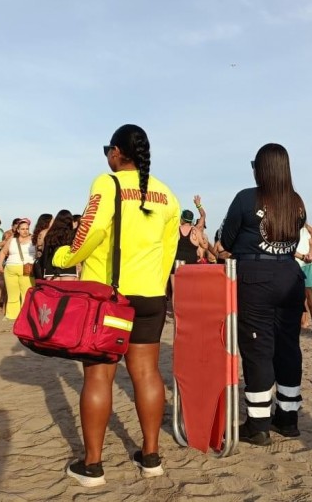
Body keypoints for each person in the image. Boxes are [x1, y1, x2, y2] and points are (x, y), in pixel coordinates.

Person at [53, 124, 180, 486]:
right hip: (151, 294)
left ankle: (92, 465)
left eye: (109, 149)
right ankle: (151, 456)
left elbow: (89, 232)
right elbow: (169, 249)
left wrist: (63, 257)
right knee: (147, 374)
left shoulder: (106, 183)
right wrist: (156, 284)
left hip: (108, 297)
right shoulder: (166, 194)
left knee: (98, 376)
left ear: (116, 153)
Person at [219, 143, 306, 446]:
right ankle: (289, 416)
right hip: (289, 275)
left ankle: (258, 424)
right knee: (288, 346)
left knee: (257, 349)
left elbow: (226, 239)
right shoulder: (296, 202)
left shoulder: (246, 198)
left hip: (256, 277)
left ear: (261, 168)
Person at [0, 218, 35, 320]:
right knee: (12, 293)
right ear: (18, 230)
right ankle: (11, 315)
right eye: (22, 229)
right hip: (10, 268)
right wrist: (0, 265)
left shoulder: (34, 239)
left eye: (27, 228)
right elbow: (3, 252)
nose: (25, 231)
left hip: (27, 268)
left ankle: (25, 315)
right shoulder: (12, 239)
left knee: (26, 293)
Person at [41, 210, 78, 281]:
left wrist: (44, 267)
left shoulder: (50, 235)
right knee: (68, 291)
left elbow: (46, 253)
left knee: (52, 291)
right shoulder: (72, 234)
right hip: (68, 265)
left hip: (51, 267)